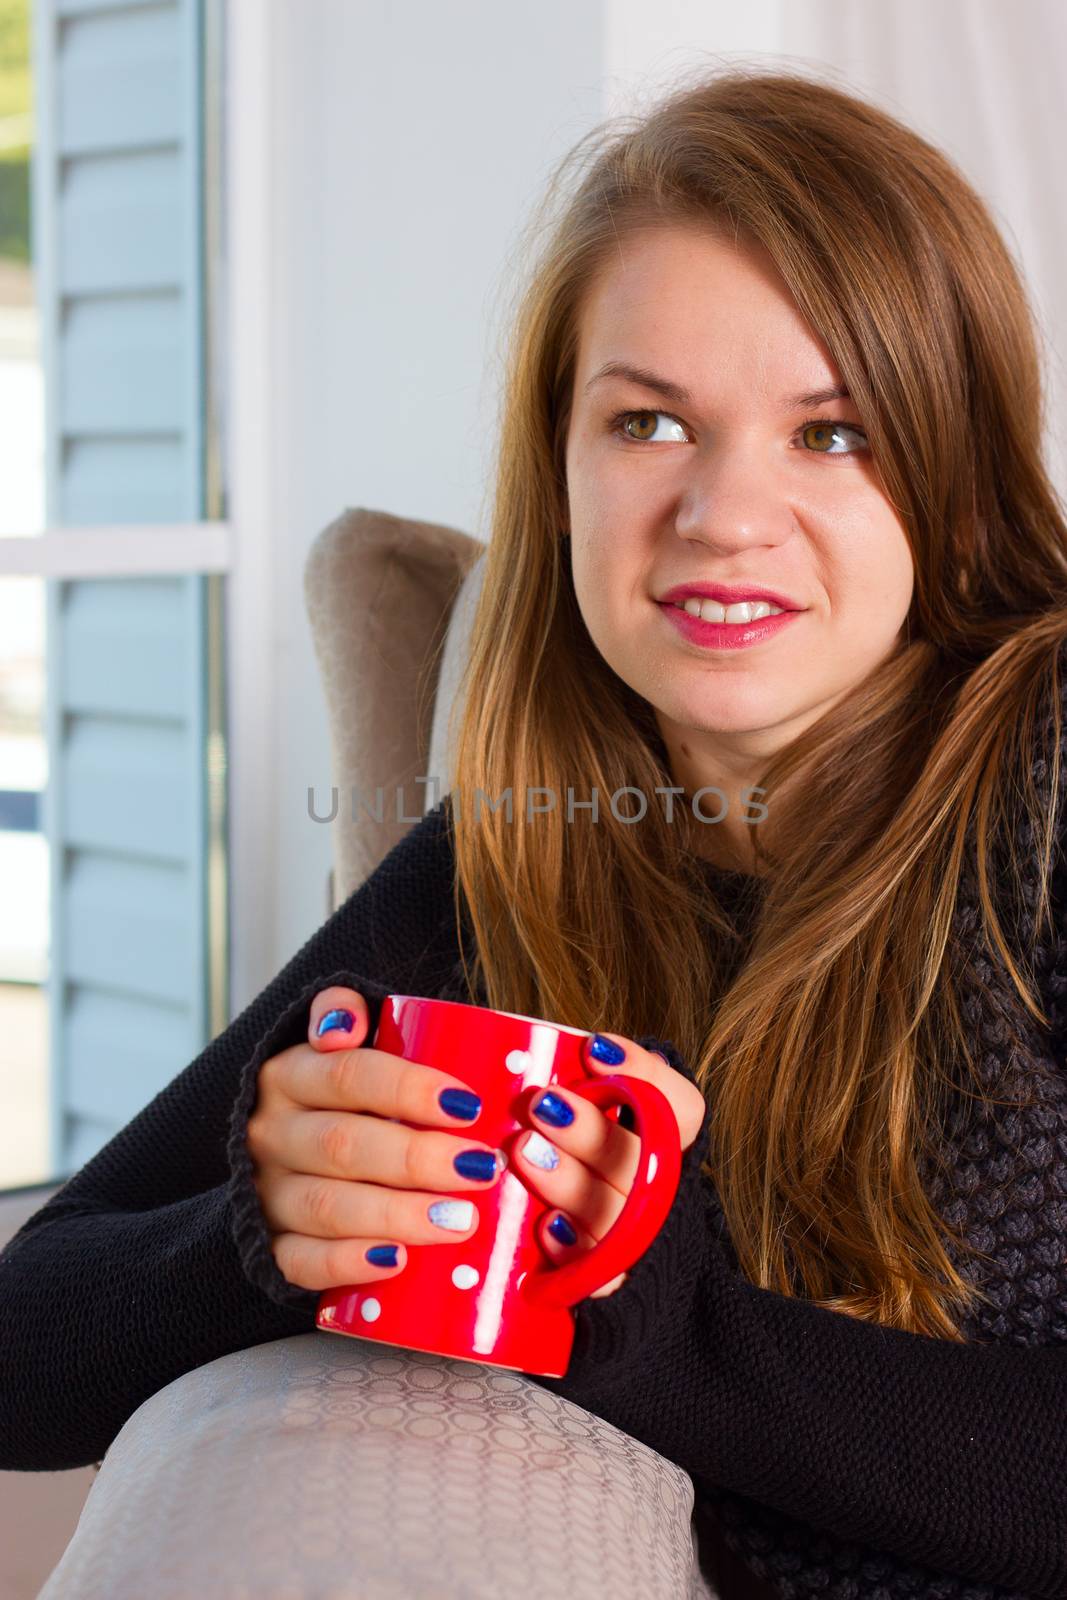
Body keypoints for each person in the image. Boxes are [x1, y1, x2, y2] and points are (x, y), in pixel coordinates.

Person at [3, 65, 1066, 1600]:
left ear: (957, 475)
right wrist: (270, 1229)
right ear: (559, 471)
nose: (721, 512)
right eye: (649, 422)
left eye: (832, 435)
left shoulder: (1042, 788)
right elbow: (27, 1344)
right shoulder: (512, 866)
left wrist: (653, 1324)